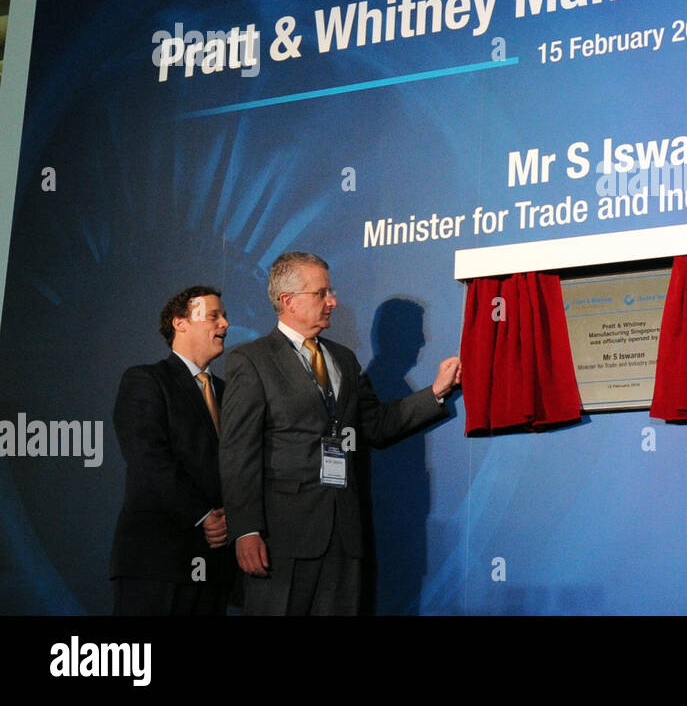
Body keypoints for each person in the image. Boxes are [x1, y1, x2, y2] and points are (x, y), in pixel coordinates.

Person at [220, 251, 460, 615]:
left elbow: (376, 425)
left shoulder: (343, 359)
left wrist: (436, 392)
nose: (332, 301)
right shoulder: (251, 360)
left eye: (330, 292)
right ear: (288, 301)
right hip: (282, 539)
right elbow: (239, 452)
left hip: (344, 537)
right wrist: (246, 530)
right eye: (321, 293)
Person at [110, 286, 233, 615]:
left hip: (214, 563)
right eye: (213, 316)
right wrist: (204, 515)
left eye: (224, 316)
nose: (225, 324)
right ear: (181, 323)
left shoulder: (228, 393)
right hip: (157, 561)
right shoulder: (146, 380)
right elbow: (148, 458)